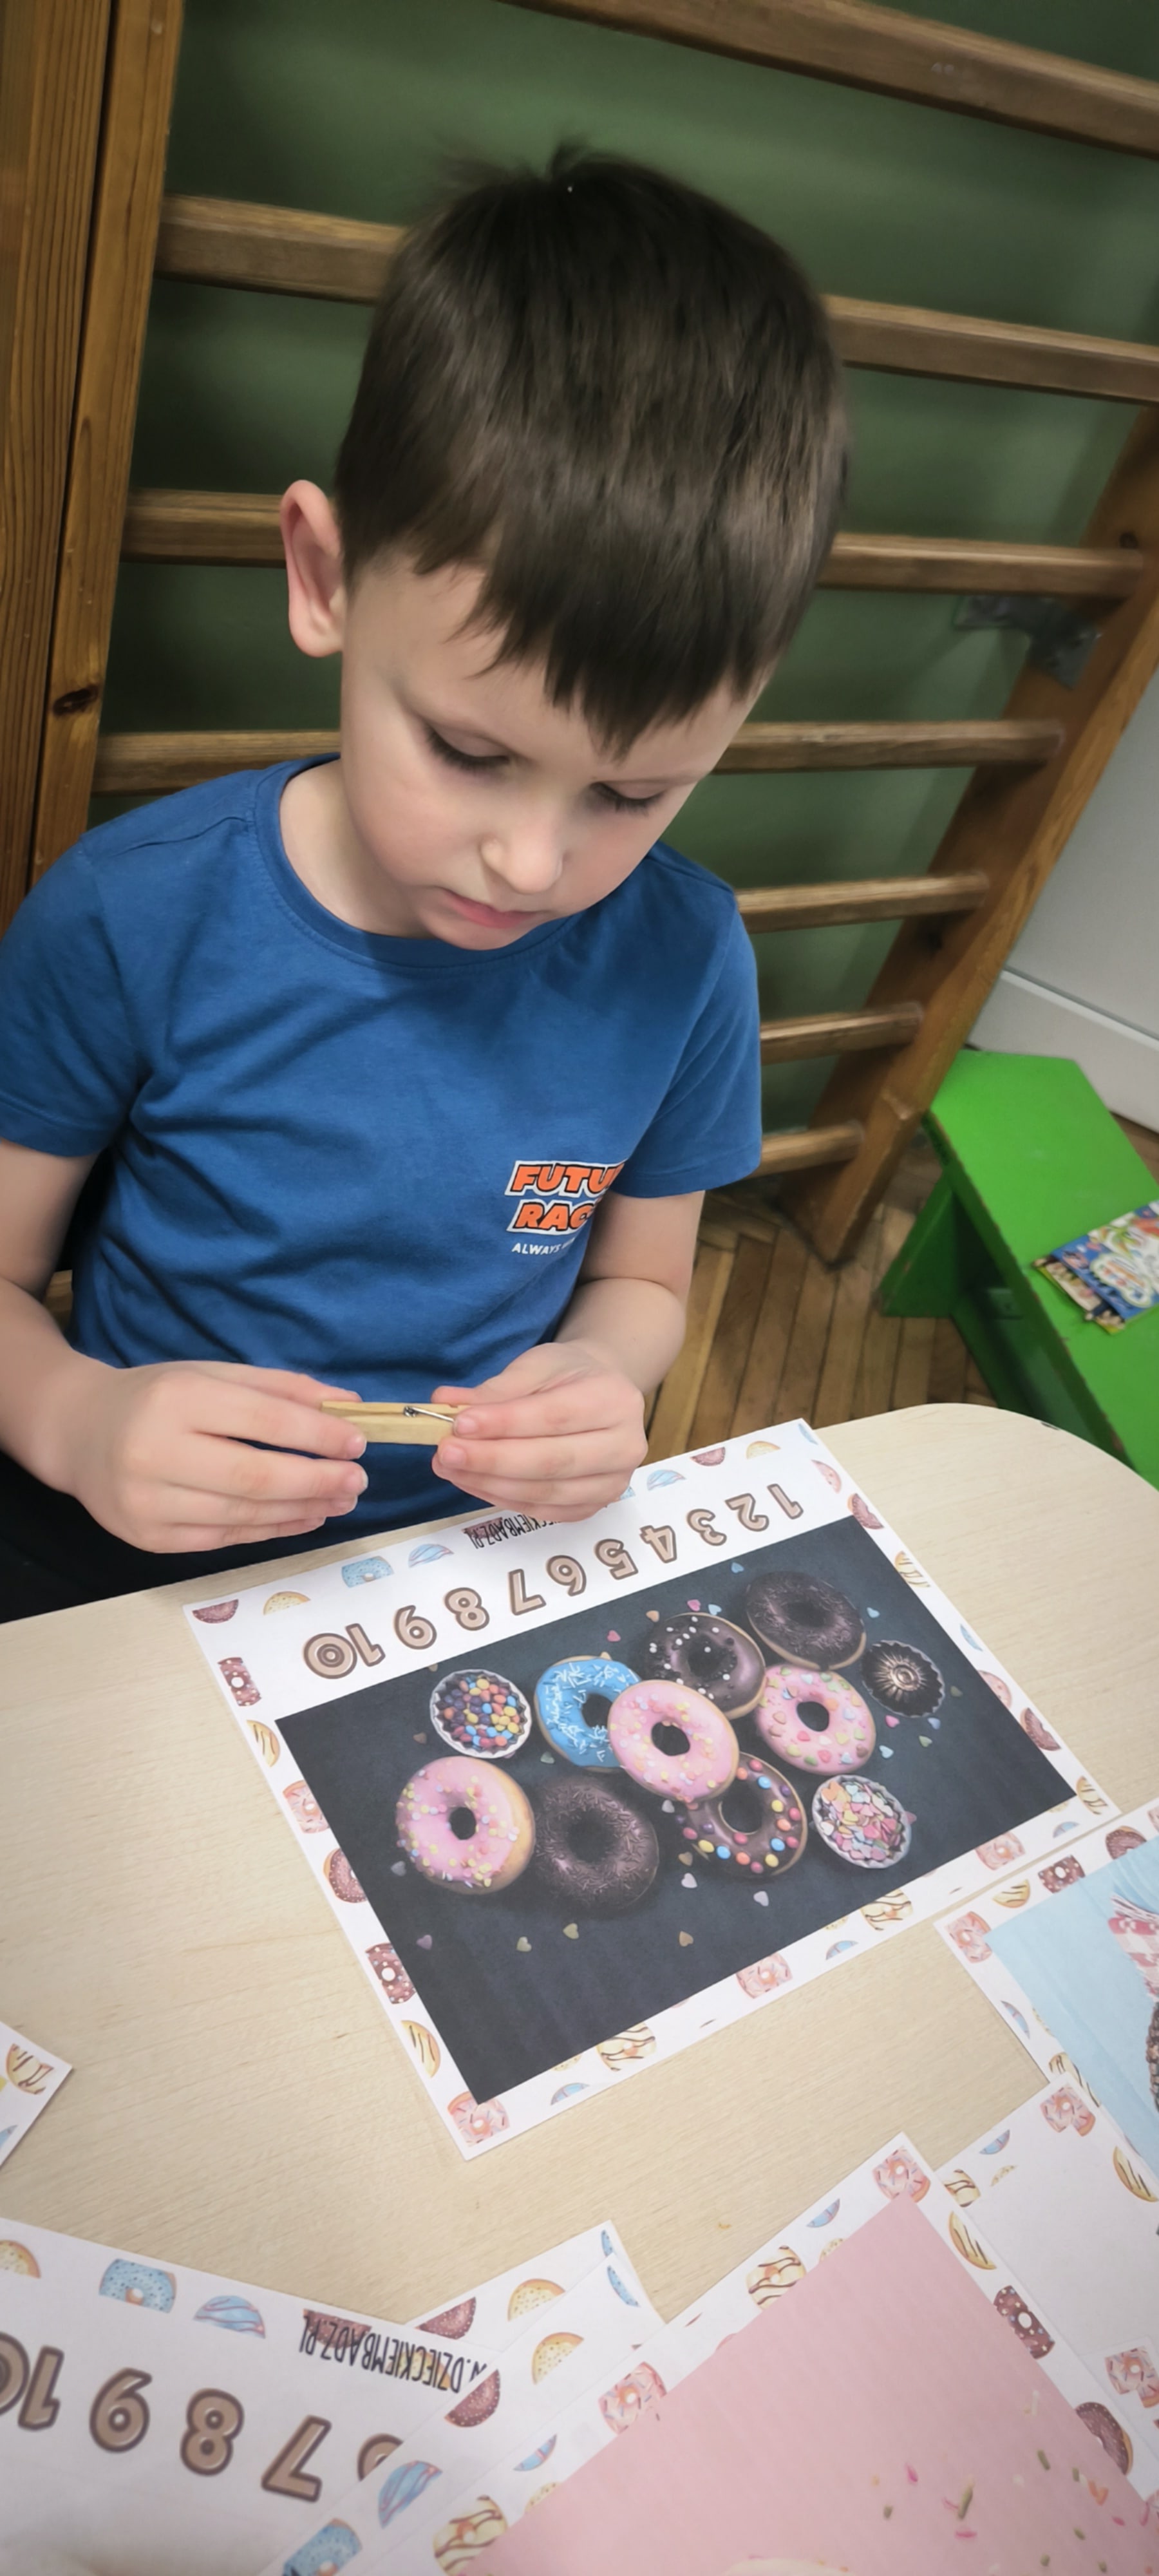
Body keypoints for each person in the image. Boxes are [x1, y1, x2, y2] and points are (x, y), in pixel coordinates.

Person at [0, 149, 846, 1617]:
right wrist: (74, 1419)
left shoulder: (687, 958)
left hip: (469, 1557)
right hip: (125, 1533)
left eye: (635, 792)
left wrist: (603, 1373)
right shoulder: (131, 914)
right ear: (325, 577)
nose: (534, 862)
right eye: (467, 750)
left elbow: (644, 1285)